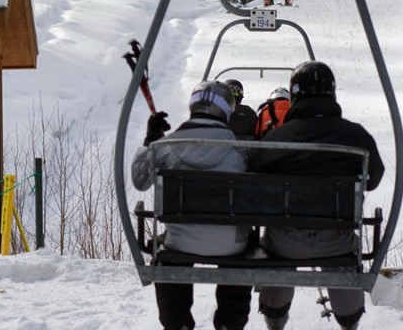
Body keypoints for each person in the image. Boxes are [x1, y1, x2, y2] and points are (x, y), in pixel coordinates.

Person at [248, 61, 385, 330]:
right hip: (336, 241)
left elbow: (254, 184)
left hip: (286, 241)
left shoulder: (278, 139)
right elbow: (374, 179)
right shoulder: (356, 136)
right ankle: (348, 321)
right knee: (344, 253)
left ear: (296, 94)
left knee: (276, 246)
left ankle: (275, 318)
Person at [132, 81, 252, 330]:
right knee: (244, 252)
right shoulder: (240, 151)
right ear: (226, 111)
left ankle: (177, 323)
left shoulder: (167, 147)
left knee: (168, 253)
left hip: (180, 243)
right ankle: (230, 323)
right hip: (231, 245)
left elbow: (140, 180)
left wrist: (151, 141)